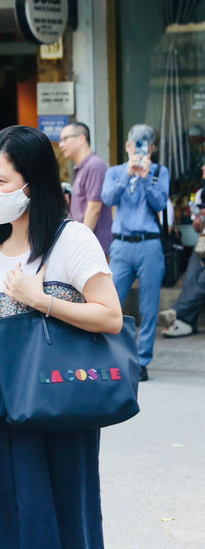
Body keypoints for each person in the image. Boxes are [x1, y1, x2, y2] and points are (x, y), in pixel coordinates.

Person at [0, 125, 123, 549]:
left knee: (59, 514)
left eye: (0, 181)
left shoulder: (72, 239)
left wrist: (41, 300)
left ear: (34, 182)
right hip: (1, 396)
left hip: (57, 398)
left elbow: (110, 316)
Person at [101, 124, 169, 382]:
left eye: (144, 145)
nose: (138, 149)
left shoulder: (159, 172)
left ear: (152, 148)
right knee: (111, 302)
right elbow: (107, 197)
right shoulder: (115, 171)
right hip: (121, 245)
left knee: (149, 307)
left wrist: (144, 178)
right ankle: (113, 357)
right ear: (127, 146)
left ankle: (142, 361)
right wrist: (127, 174)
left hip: (149, 244)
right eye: (134, 144)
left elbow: (161, 203)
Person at [158, 161, 205, 338]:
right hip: (202, 244)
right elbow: (197, 227)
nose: (202, 168)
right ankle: (187, 323)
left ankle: (177, 313)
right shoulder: (201, 194)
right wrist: (198, 223)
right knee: (191, 278)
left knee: (202, 281)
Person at [59, 122, 114, 254]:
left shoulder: (94, 166)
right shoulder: (82, 167)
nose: (61, 144)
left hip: (92, 247)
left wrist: (81, 243)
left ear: (81, 139)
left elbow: (94, 209)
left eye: (65, 139)